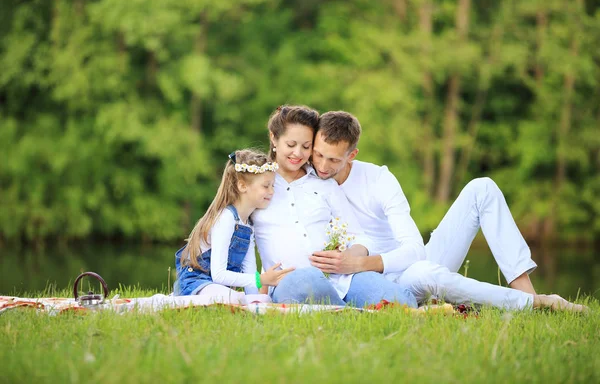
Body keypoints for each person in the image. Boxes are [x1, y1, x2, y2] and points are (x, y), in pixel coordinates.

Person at [309, 110, 586, 312]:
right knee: (430, 275)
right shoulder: (307, 180)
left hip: (405, 269)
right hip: (363, 282)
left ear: (352, 155)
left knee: (483, 188)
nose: (322, 166)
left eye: (333, 159)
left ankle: (529, 296)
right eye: (318, 155)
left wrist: (360, 264)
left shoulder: (378, 180)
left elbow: (415, 250)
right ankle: (534, 305)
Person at [252, 105, 417, 308]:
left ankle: (338, 308)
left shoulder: (325, 185)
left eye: (306, 146)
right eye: (291, 144)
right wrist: (257, 283)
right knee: (307, 280)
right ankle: (350, 310)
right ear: (273, 138)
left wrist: (349, 258)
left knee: (402, 302)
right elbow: (237, 239)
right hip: (289, 281)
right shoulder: (257, 183)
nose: (298, 153)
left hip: (342, 278)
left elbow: (360, 237)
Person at [173, 149, 294, 303]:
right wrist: (261, 279)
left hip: (219, 287)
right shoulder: (226, 218)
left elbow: (250, 272)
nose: (272, 191)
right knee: (236, 298)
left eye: (272, 185)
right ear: (243, 186)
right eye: (266, 186)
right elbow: (219, 275)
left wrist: (255, 299)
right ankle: (172, 298)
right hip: (196, 282)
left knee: (263, 299)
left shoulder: (248, 225)